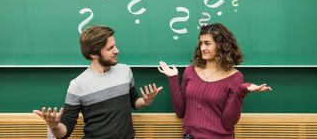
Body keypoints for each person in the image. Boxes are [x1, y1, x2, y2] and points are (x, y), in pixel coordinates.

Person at [33, 25, 162, 139]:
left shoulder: (125, 71)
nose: (117, 50)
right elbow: (65, 131)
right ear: (93, 54)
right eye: (110, 48)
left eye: (115, 45)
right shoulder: (77, 85)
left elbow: (134, 101)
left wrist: (145, 102)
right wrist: (54, 127)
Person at [158, 23, 272, 139]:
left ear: (221, 46)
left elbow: (228, 123)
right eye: (201, 43)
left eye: (207, 43)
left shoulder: (235, 77)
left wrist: (241, 92)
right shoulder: (190, 71)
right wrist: (173, 78)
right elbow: (180, 112)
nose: (202, 48)